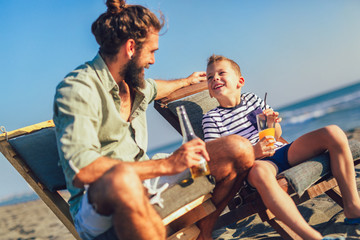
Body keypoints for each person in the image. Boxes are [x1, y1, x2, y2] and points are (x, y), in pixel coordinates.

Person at [53, 2, 254, 240]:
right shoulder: (78, 88)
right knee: (124, 181)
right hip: (98, 202)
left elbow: (157, 87)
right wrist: (166, 165)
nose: (153, 60)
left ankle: (204, 234)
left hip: (147, 178)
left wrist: (186, 81)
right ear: (131, 48)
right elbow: (84, 170)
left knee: (238, 149)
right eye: (152, 51)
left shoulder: (135, 85)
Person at [202, 54, 360, 239]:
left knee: (333, 132)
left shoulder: (252, 100)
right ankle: (311, 236)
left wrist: (271, 123)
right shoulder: (211, 119)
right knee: (259, 172)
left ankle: (352, 208)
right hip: (257, 164)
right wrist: (253, 152)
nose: (215, 79)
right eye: (210, 77)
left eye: (221, 73)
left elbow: (276, 134)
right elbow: (217, 159)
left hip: (282, 151)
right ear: (210, 91)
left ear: (240, 81)